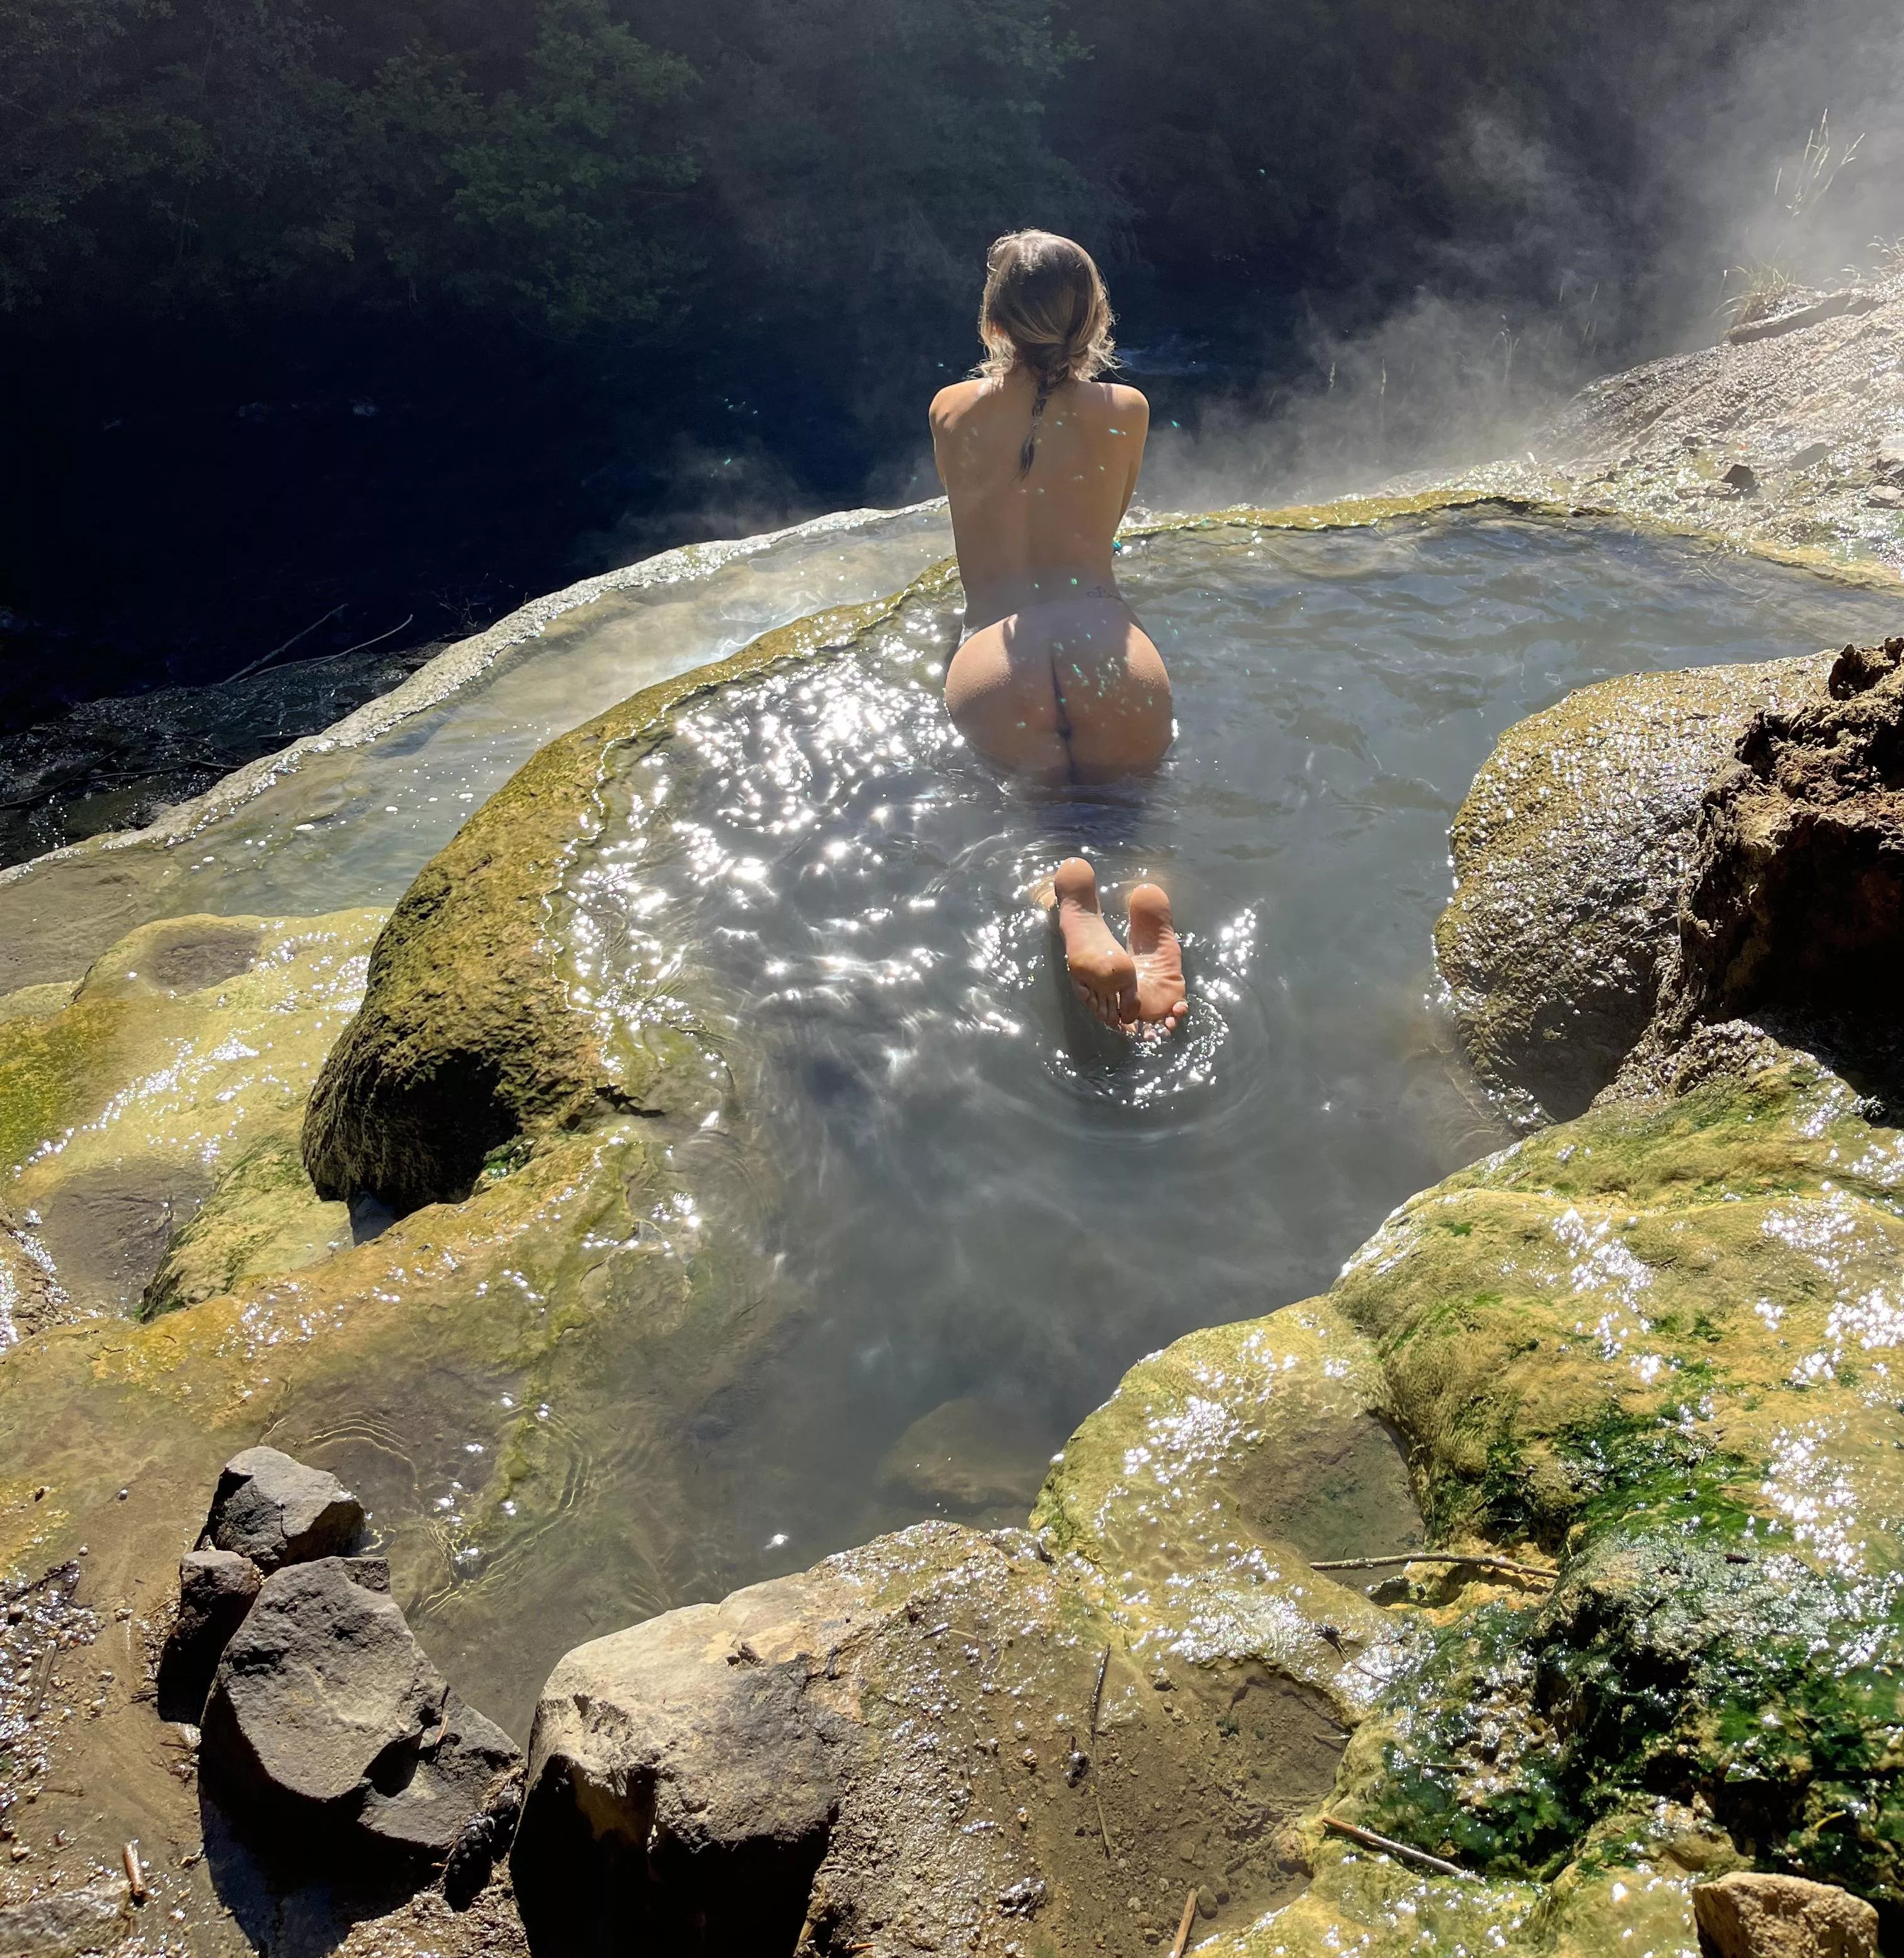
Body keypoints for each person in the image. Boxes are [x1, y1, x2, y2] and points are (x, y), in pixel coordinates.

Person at [930, 229, 1187, 1036]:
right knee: (1133, 811)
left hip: (995, 655)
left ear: (994, 321)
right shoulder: (1129, 410)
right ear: (1094, 319)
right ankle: (1147, 896)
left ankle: (1062, 897)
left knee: (1027, 819)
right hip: (1111, 649)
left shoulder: (950, 410)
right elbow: (1105, 523)